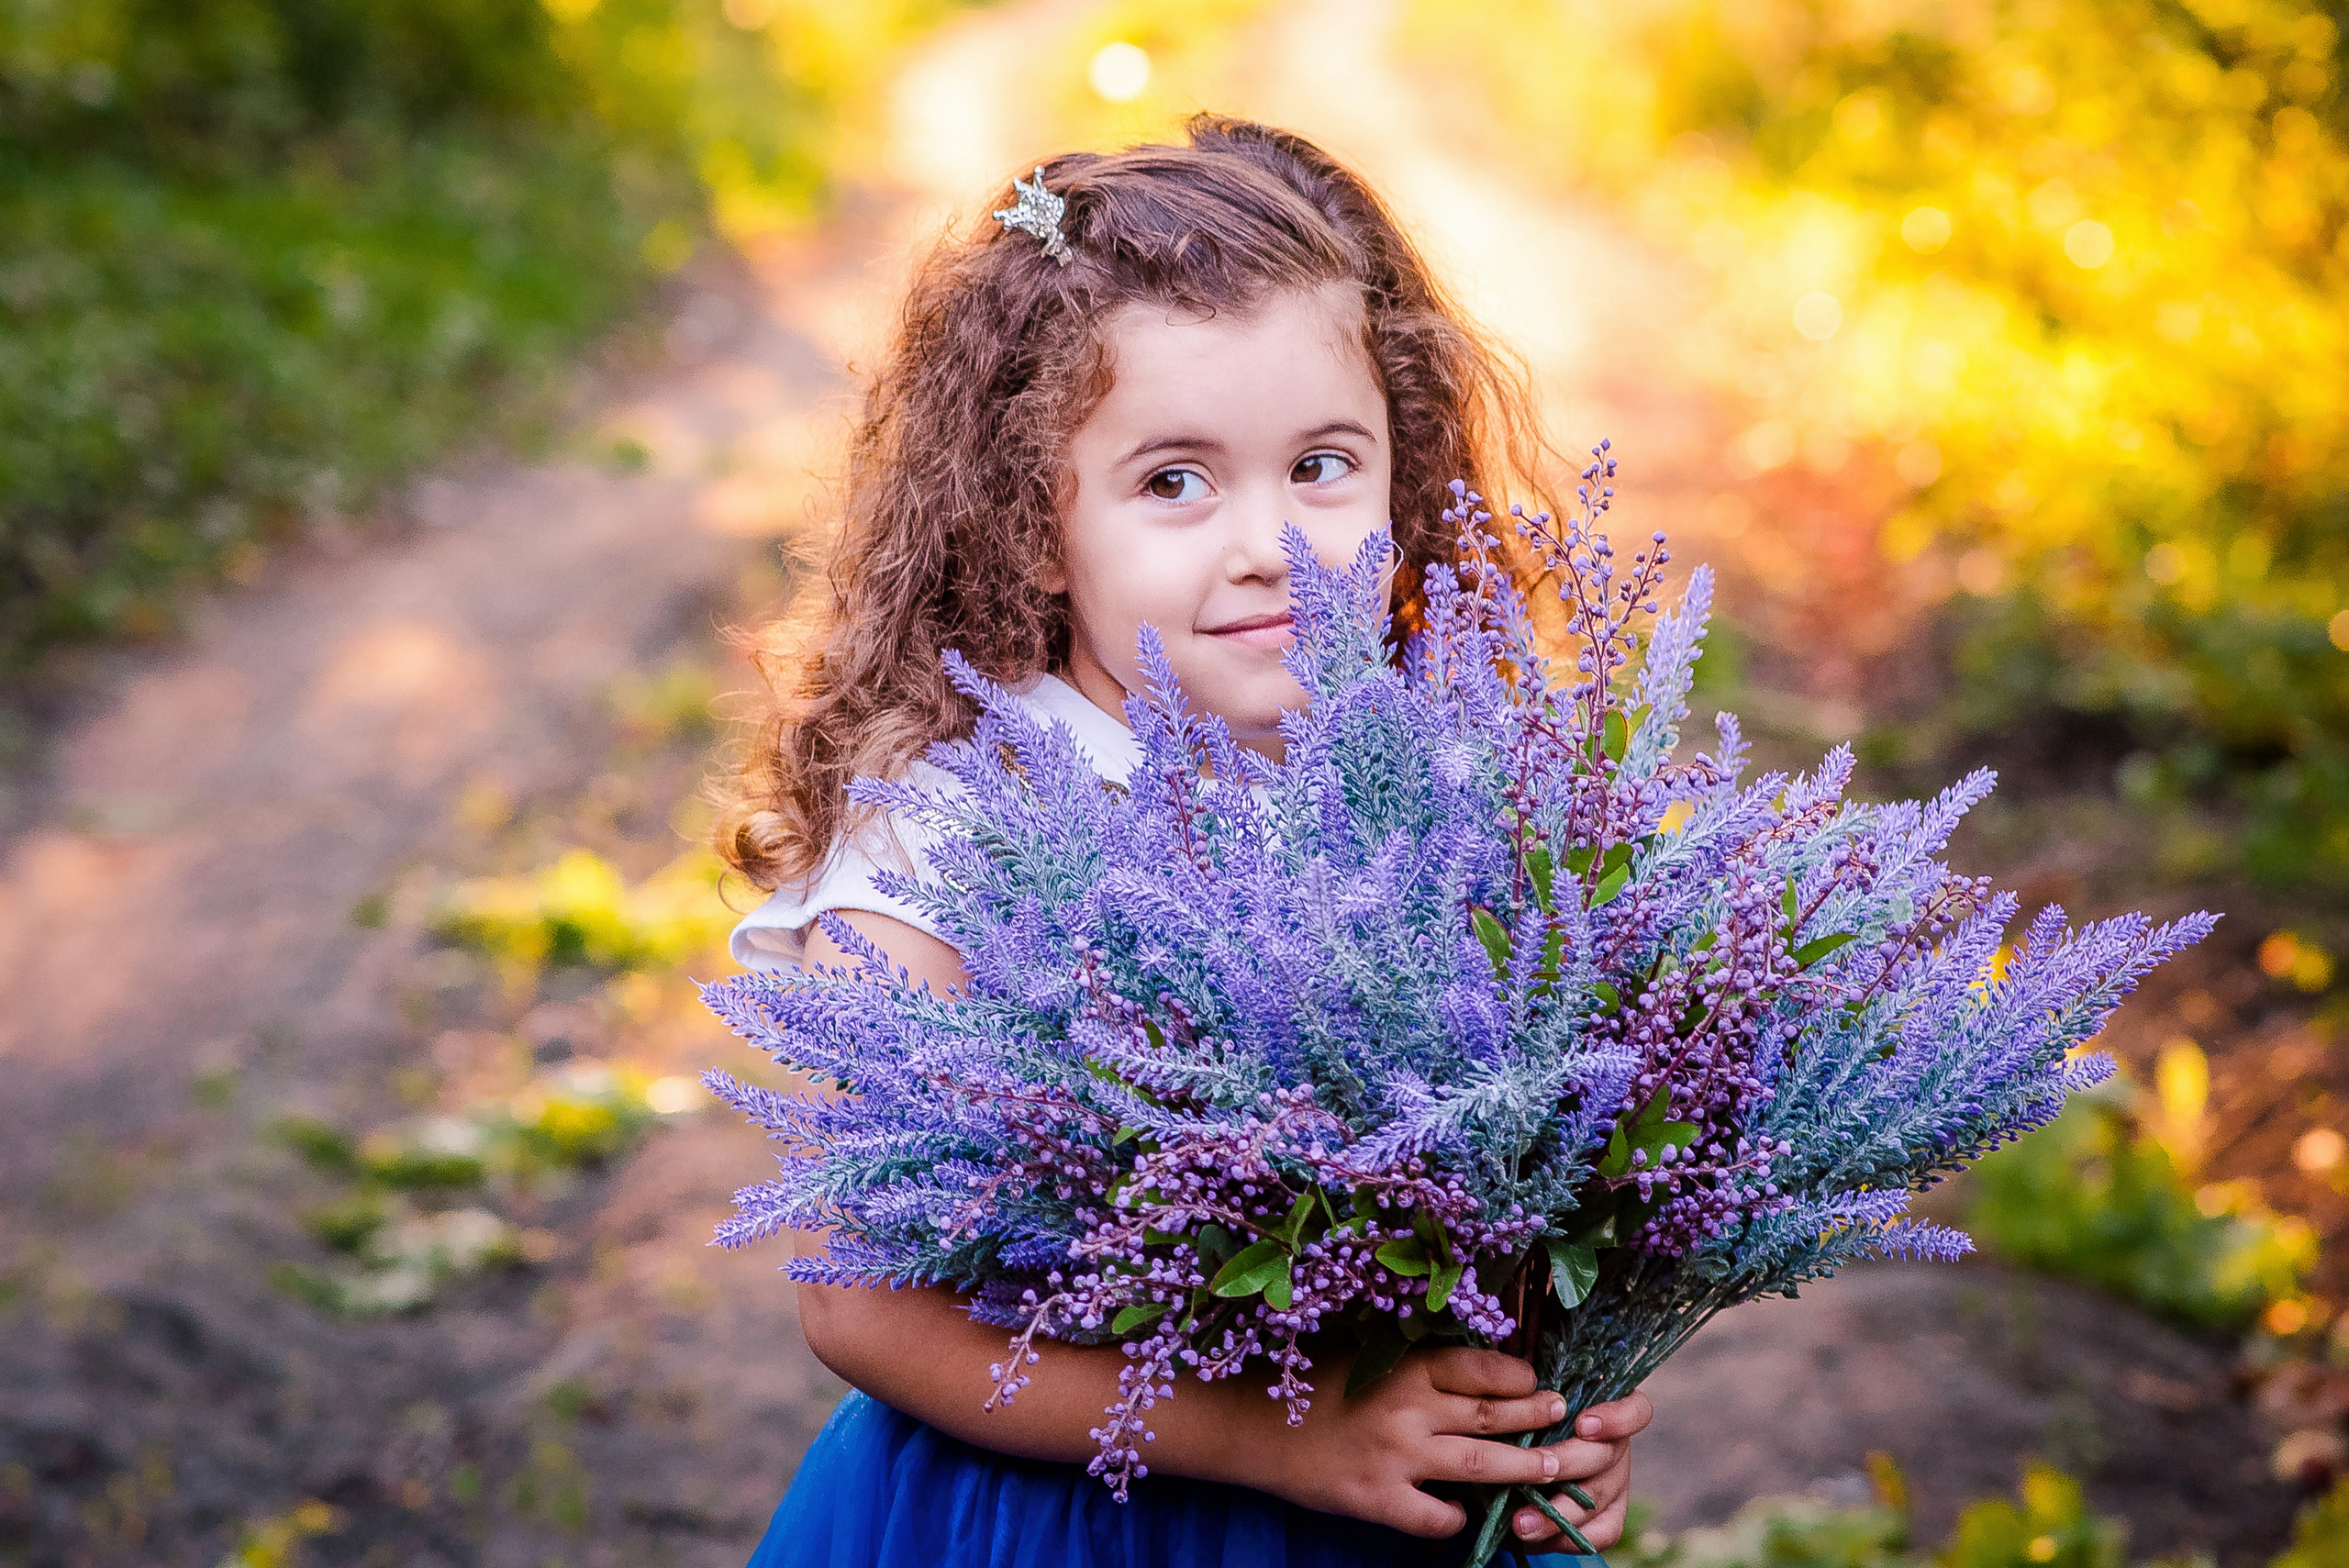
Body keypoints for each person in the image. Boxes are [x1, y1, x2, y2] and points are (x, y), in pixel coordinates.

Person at [711, 115, 1655, 1568]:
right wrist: (1276, 1440)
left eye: (1324, 466)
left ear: (1400, 480)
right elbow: (858, 1298)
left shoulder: (1450, 780)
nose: (1268, 540)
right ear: (1032, 526)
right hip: (1076, 1512)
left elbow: (1529, 1181)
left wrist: (1543, 1419)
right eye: (1174, 481)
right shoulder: (962, 829)